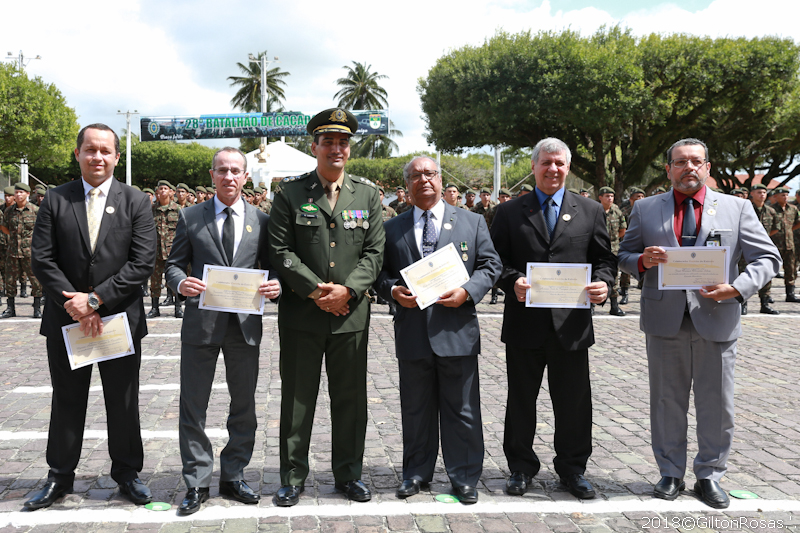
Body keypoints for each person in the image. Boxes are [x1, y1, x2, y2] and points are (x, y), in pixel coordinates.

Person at [618, 138, 780, 509]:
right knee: (666, 400)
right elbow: (624, 255)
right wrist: (642, 261)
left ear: (707, 167)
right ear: (668, 169)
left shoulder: (737, 208)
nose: (688, 167)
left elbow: (768, 258)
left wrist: (737, 288)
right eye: (680, 162)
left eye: (696, 161)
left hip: (717, 316)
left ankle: (710, 475)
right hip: (665, 319)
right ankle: (670, 472)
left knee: (717, 403)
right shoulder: (645, 208)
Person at [27, 123, 157, 510]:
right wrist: (75, 303)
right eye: (90, 149)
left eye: (105, 151)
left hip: (117, 320)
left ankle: (128, 473)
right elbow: (42, 258)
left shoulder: (135, 201)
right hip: (67, 318)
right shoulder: (56, 199)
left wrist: (96, 301)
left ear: (116, 156)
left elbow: (142, 262)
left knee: (123, 400)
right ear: (78, 154)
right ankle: (59, 476)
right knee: (67, 399)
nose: (97, 157)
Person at [268, 108, 385, 507]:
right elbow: (280, 250)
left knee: (350, 400)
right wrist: (318, 292)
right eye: (328, 141)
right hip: (302, 315)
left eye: (343, 142)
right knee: (297, 399)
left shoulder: (367, 195)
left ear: (349, 149)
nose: (337, 148)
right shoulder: (290, 193)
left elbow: (374, 253)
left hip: (350, 316)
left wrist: (347, 291)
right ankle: (292, 477)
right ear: (314, 146)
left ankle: (349, 474)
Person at [490, 138, 616, 500]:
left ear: (568, 167)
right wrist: (511, 281)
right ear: (534, 166)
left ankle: (573, 469)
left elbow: (604, 259)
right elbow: (495, 260)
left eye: (559, 163)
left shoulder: (590, 210)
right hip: (524, 324)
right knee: (521, 400)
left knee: (574, 402)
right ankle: (520, 467)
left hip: (571, 326)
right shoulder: (509, 212)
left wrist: (604, 284)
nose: (553, 169)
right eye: (546, 162)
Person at [376, 156, 501, 504]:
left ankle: (464, 477)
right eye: (416, 175)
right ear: (407, 184)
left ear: (441, 179)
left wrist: (468, 291)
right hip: (412, 332)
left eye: (430, 173)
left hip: (457, 330)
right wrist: (392, 291)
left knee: (463, 410)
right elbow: (379, 273)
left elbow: (491, 265)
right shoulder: (391, 228)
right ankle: (416, 473)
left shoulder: (472, 222)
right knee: (415, 409)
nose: (424, 180)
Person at [165, 147, 281, 515]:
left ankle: (233, 474)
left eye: (235, 171)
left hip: (244, 327)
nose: (229, 176)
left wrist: (276, 285)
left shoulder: (262, 221)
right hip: (201, 324)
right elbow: (173, 265)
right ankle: (197, 481)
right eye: (222, 170)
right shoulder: (190, 216)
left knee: (244, 405)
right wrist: (180, 283)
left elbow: (273, 268)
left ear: (246, 177)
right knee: (193, 405)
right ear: (212, 175)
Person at [1, 183, 43, 318]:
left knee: (35, 280)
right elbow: (4, 227)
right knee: (10, 280)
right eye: (16, 192)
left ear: (28, 194)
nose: (18, 195)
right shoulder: (9, 211)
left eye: (21, 192)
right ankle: (10, 308)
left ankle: (37, 308)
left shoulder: (35, 210)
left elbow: (42, 229)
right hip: (12, 251)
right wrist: (15, 237)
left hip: (30, 252)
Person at [749, 184, 780, 314]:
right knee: (743, 274)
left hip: (764, 247)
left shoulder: (771, 211)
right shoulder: (746, 209)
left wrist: (763, 238)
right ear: (752, 194)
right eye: (759, 192)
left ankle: (765, 304)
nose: (762, 195)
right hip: (747, 246)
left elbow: (776, 228)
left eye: (764, 192)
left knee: (766, 274)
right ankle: (743, 304)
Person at [598, 186, 627, 316]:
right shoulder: (594, 210)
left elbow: (622, 230)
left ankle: (614, 306)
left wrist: (612, 241)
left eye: (611, 196)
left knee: (614, 278)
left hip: (613, 250)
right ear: (600, 197)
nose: (610, 198)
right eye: (607, 196)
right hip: (597, 249)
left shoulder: (617, 211)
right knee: (593, 276)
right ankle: (591, 306)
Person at [770, 187, 800, 301]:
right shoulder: (771, 209)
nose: (785, 197)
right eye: (782, 195)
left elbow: (798, 222)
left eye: (787, 195)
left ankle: (790, 294)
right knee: (770, 270)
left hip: (789, 244)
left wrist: (789, 230)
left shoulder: (793, 209)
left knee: (790, 270)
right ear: (775, 196)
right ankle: (766, 295)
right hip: (774, 245)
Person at [619, 187, 645, 304]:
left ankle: (644, 291)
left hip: (644, 241)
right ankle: (625, 292)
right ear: (631, 199)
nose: (640, 198)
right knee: (626, 269)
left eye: (642, 196)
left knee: (645, 266)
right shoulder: (625, 211)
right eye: (637, 197)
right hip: (628, 242)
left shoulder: (648, 210)